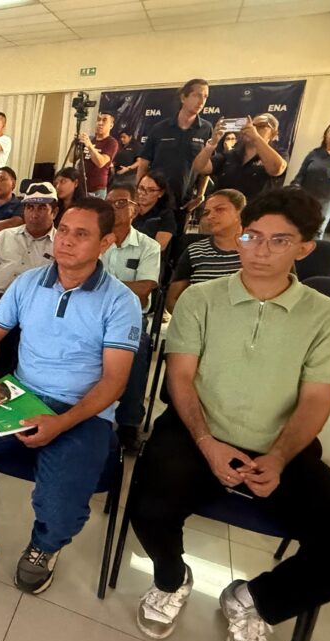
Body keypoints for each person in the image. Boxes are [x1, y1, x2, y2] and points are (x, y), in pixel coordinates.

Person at [131, 188, 330, 641]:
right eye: (252, 237)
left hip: (282, 447)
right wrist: (206, 442)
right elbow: (181, 378)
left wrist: (279, 458)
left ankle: (255, 600)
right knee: (147, 503)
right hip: (197, 432)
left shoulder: (326, 315)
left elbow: (316, 399)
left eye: (279, 240)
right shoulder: (201, 298)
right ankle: (172, 578)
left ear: (304, 248)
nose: (260, 251)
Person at [0, 198, 140, 593]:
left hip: (84, 410)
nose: (66, 241)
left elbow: (114, 382)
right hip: (22, 394)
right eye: (64, 230)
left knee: (60, 501)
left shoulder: (120, 302)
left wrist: (61, 422)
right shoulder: (28, 283)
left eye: (81, 234)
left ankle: (45, 545)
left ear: (106, 242)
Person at [100, 183, 161, 451]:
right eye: (109, 203)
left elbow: (144, 288)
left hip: (130, 316)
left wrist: (101, 286)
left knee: (137, 346)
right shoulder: (96, 241)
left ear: (135, 209)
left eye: (121, 203)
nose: (114, 208)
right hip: (93, 312)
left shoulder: (148, 246)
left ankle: (128, 422)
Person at [134, 78, 214, 234]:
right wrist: (139, 193)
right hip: (155, 199)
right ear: (183, 97)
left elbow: (207, 167)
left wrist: (200, 194)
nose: (201, 101)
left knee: (176, 241)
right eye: (197, 95)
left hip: (184, 201)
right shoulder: (160, 128)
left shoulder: (206, 129)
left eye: (205, 97)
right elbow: (144, 163)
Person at [0, 182, 57, 304]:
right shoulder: (3, 237)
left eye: (42, 208)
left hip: (34, 305)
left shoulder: (62, 245)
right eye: (30, 207)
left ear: (54, 212)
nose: (34, 215)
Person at [166, 189, 245, 313]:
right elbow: (172, 300)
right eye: (207, 212)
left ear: (240, 213)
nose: (210, 216)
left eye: (219, 209)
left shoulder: (257, 250)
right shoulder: (195, 251)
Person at [192, 114, 288, 202]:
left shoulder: (279, 154)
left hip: (255, 212)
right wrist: (212, 143)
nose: (254, 128)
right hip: (223, 210)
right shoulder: (231, 154)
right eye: (252, 125)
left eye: (261, 125)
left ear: (273, 134)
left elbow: (276, 169)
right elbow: (200, 167)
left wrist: (256, 138)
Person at [132, 171, 177, 252]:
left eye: (151, 190)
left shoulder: (165, 216)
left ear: (161, 193)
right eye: (141, 188)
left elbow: (159, 247)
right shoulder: (129, 208)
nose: (143, 193)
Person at [79, 112, 119, 198]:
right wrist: (76, 144)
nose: (100, 123)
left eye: (104, 120)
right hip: (81, 186)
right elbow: (71, 158)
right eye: (98, 120)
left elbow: (100, 163)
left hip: (97, 190)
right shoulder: (91, 139)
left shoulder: (112, 142)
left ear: (111, 125)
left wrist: (89, 145)